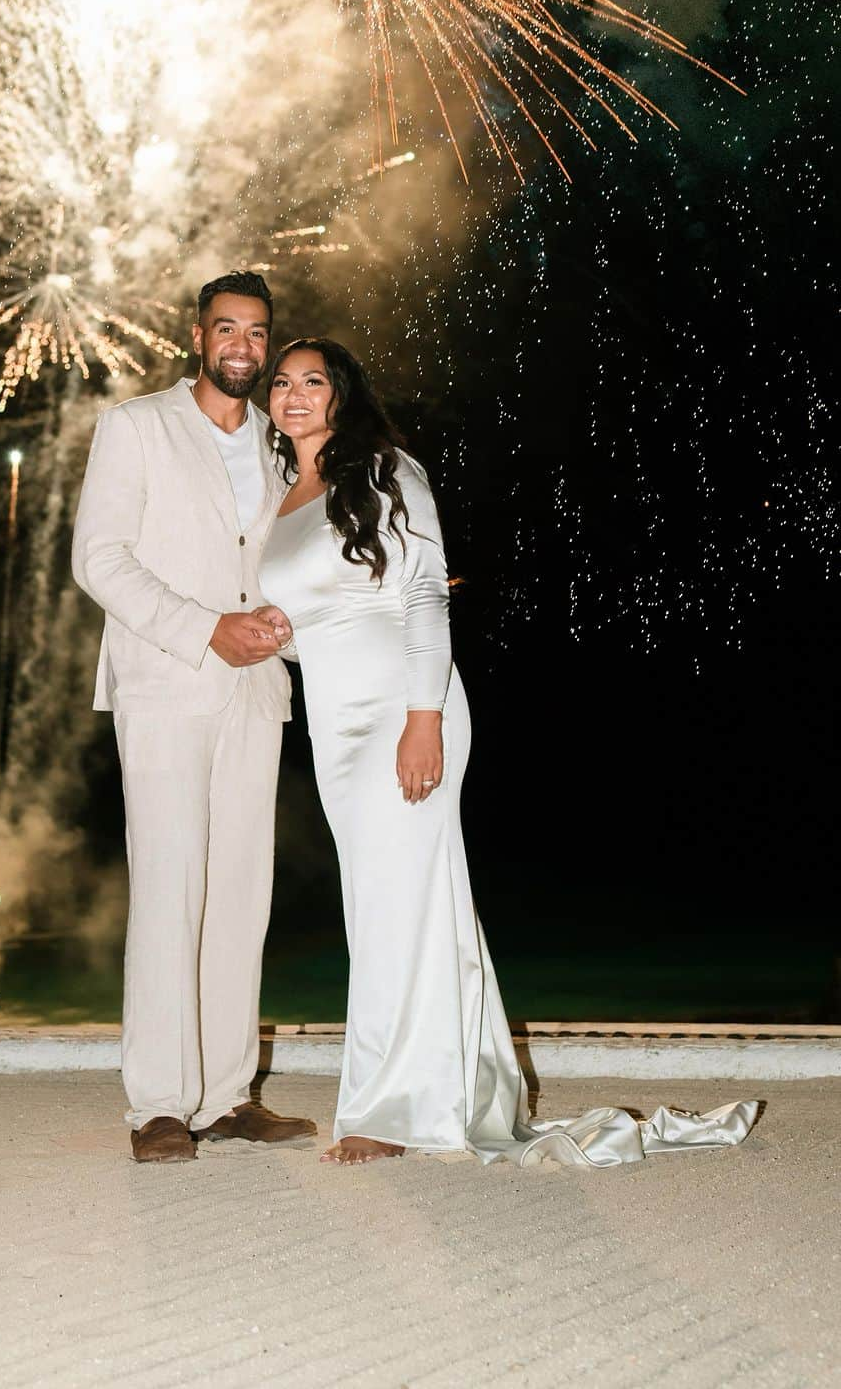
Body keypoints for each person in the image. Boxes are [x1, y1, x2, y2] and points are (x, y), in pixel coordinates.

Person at [260, 339, 759, 1167]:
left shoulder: (386, 470)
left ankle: (393, 1107)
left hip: (403, 707)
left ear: (343, 395)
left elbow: (421, 593)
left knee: (399, 904)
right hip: (333, 724)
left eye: (313, 380)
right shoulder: (285, 498)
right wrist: (282, 639)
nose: (294, 393)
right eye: (282, 383)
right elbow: (321, 620)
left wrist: (425, 718)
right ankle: (439, 1084)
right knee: (386, 901)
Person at [71, 272, 316, 1163]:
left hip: (257, 694)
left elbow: (285, 569)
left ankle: (224, 1094)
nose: (243, 346)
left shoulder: (283, 443)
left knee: (242, 896)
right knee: (171, 888)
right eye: (227, 329)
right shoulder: (137, 425)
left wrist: (290, 629)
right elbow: (99, 559)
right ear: (198, 334)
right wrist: (206, 629)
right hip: (168, 683)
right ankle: (159, 1105)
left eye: (257, 331)